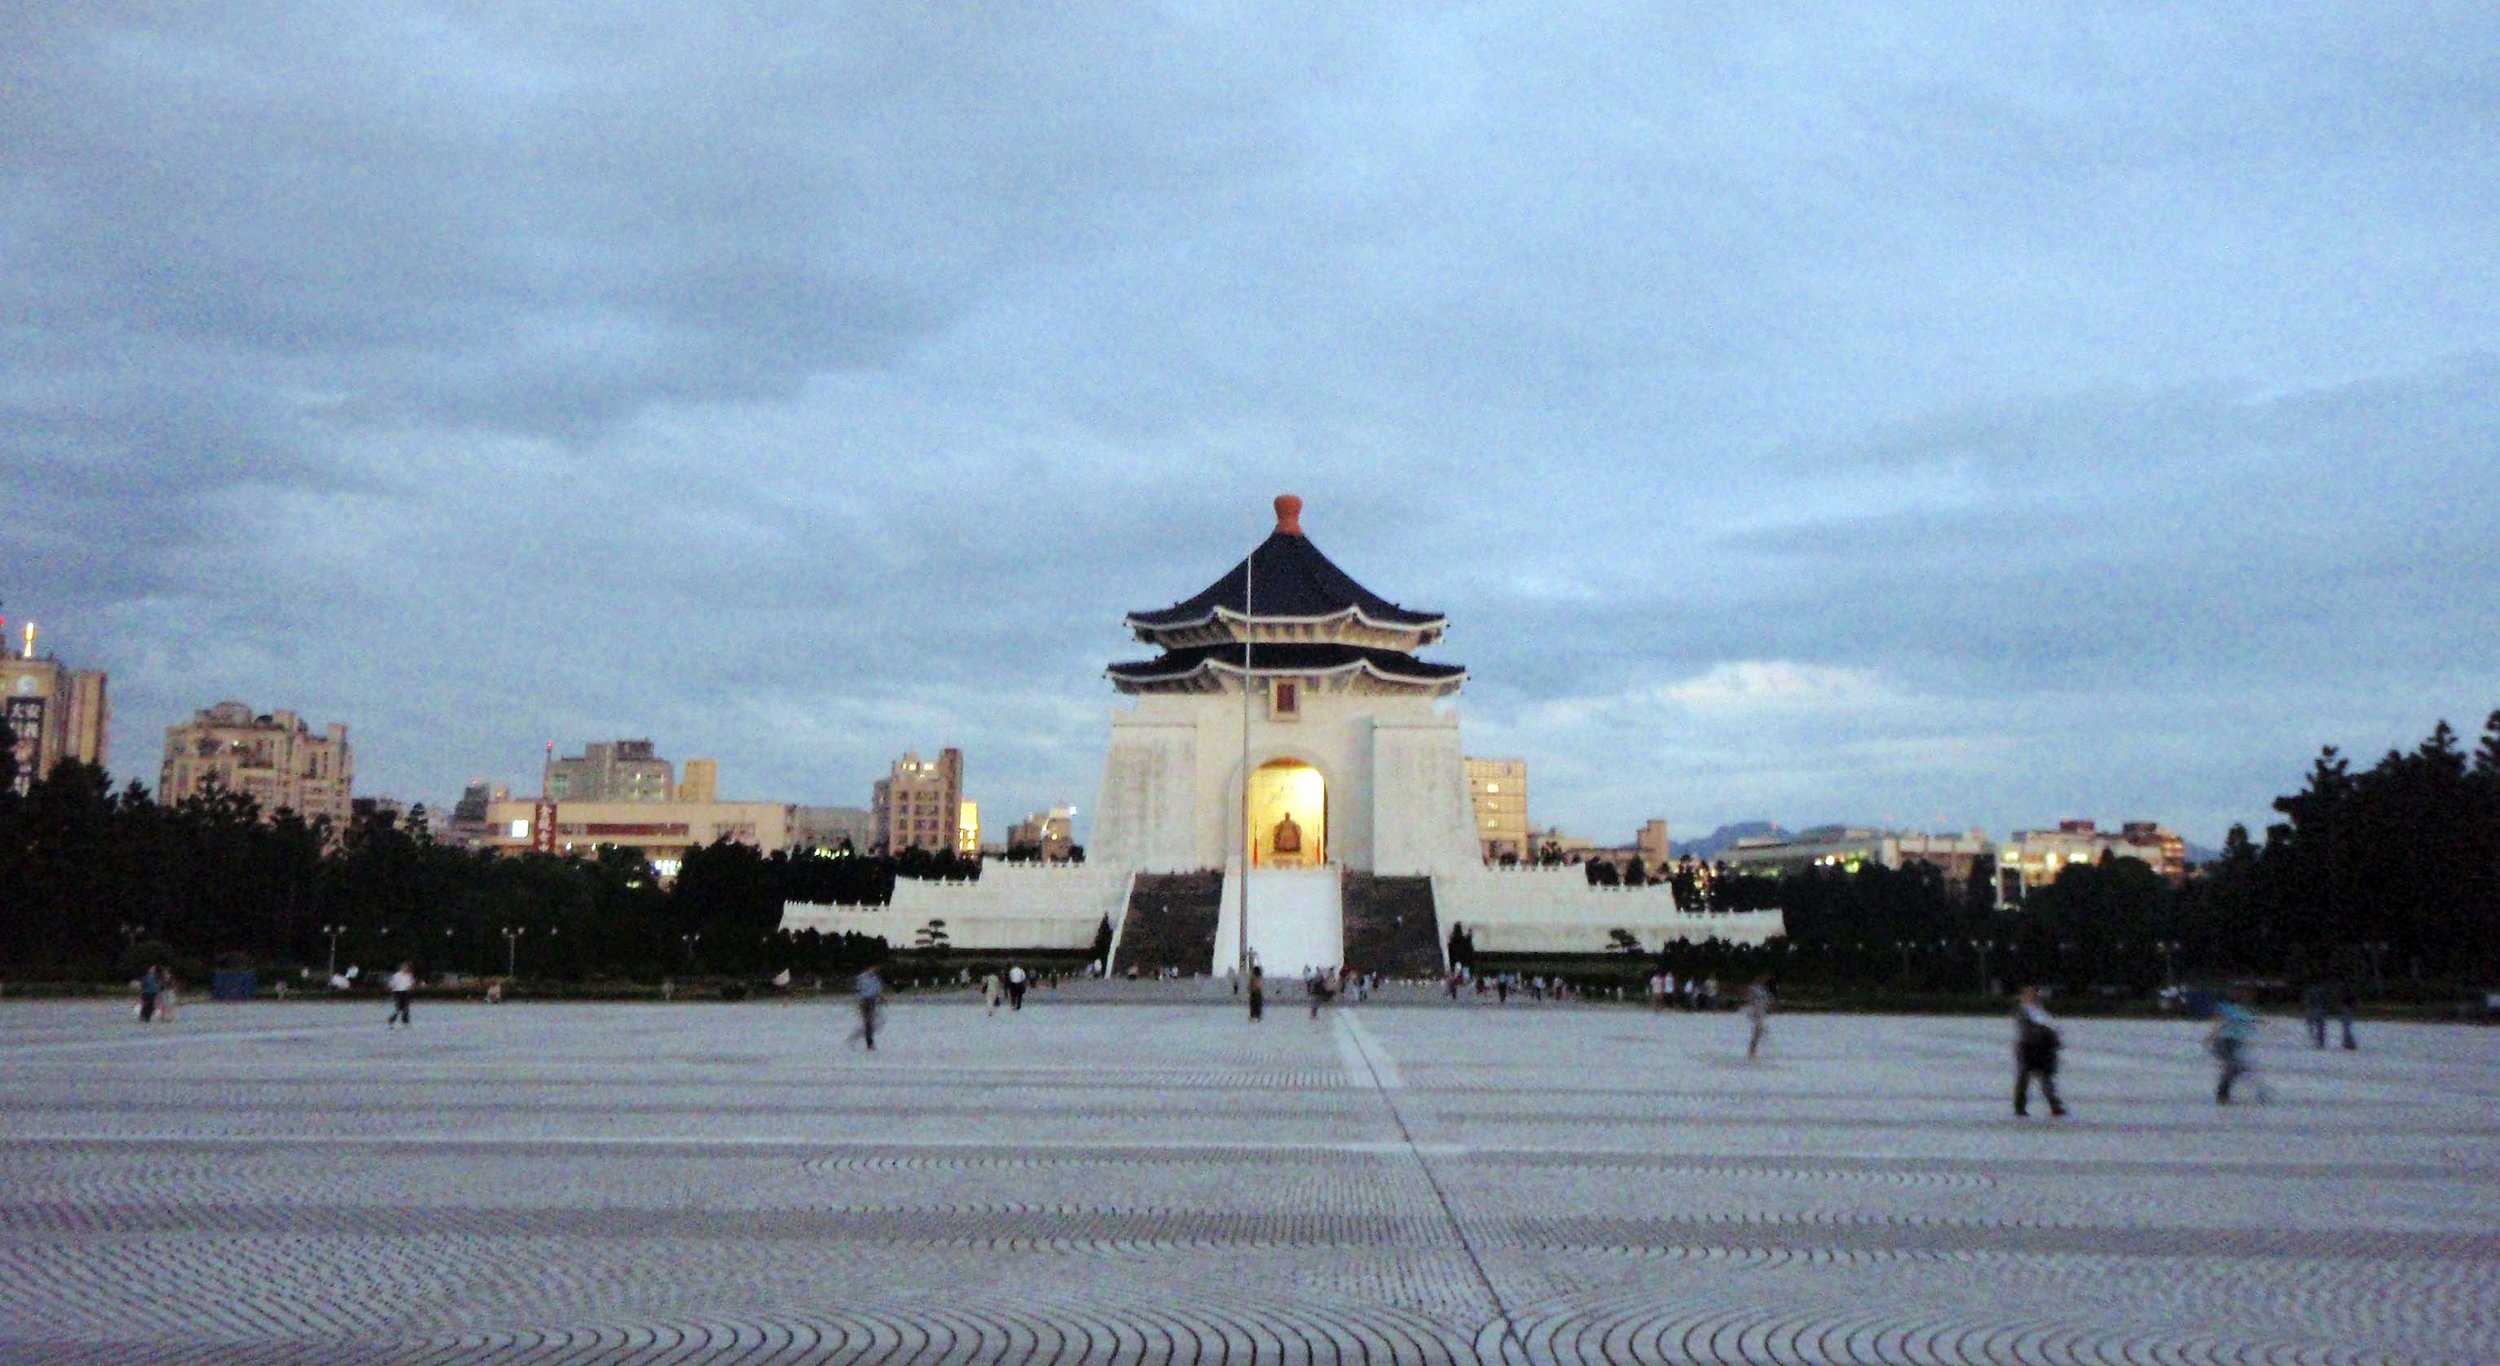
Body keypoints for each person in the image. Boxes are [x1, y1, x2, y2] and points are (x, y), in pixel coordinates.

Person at [2013, 987, 2067, 1117]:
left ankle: (2055, 1106)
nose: (2034, 997)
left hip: (2043, 1049)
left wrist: (2054, 1040)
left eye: (2035, 995)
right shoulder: (2024, 1011)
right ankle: (2020, 1107)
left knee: (2045, 1078)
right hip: (2028, 1047)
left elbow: (2052, 1028)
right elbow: (2028, 1030)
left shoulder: (2041, 1011)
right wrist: (2046, 1034)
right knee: (2024, 1079)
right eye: (2031, 995)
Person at [2208, 988, 2264, 1105]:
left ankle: (2223, 1094)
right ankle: (2222, 1095)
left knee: (2236, 1068)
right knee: (2233, 1067)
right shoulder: (2228, 1008)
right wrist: (2211, 1035)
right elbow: (2220, 1020)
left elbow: (2250, 1026)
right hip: (2225, 1042)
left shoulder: (2247, 1011)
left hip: (2235, 1043)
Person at [849, 966, 884, 1051]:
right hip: (865, 1001)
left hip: (872, 1001)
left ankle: (866, 1038)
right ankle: (869, 1042)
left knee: (872, 1022)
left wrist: (881, 997)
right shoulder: (862, 978)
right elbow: (858, 989)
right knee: (868, 1022)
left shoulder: (875, 978)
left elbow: (878, 989)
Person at [1743, 979, 1773, 1060]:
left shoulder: (1761, 989)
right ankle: (1752, 1051)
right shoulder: (1756, 989)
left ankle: (1752, 1050)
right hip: (1757, 1011)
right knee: (1758, 1031)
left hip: (1759, 1011)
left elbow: (1766, 1000)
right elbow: (1752, 999)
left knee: (1758, 1031)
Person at [386, 962, 415, 1028]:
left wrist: (411, 987)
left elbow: (412, 983)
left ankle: (405, 1021)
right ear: (401, 968)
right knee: (399, 1008)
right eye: (404, 967)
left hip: (405, 992)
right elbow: (392, 984)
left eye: (407, 967)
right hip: (398, 992)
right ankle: (391, 1020)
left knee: (406, 1007)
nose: (406, 968)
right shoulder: (397, 975)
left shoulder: (409, 975)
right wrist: (392, 989)